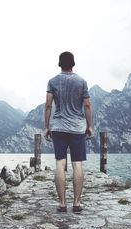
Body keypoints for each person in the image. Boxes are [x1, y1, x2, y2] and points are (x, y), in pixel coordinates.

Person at [44, 51, 93, 213]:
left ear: (59, 64)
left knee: (60, 163)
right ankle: (77, 204)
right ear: (73, 64)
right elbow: (86, 105)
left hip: (58, 127)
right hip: (77, 128)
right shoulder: (82, 81)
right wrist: (89, 126)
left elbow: (48, 105)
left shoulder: (52, 82)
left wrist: (46, 126)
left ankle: (62, 204)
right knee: (77, 164)